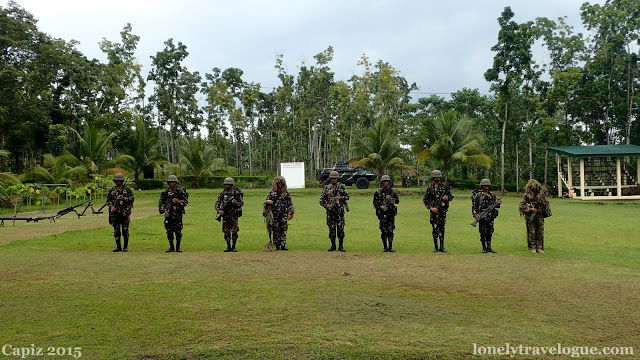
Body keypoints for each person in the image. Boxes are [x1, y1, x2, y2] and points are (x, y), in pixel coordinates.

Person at [423, 170, 453, 253]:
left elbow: (451, 196)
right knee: (435, 228)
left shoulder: (444, 187)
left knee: (442, 228)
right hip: (434, 211)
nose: (437, 178)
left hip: (442, 211)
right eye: (436, 177)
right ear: (433, 177)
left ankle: (442, 247)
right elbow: (425, 200)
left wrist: (447, 198)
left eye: (439, 177)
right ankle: (436, 247)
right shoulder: (429, 187)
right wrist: (431, 208)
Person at [319, 171, 350, 252]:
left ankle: (341, 246)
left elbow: (347, 197)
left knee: (340, 230)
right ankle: (333, 245)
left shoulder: (342, 187)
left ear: (337, 179)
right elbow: (321, 200)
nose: (333, 180)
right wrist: (326, 206)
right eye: (332, 178)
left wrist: (340, 197)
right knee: (332, 230)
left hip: (340, 213)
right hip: (330, 213)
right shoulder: (326, 188)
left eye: (335, 178)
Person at [519, 179, 552, 253]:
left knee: (540, 232)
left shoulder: (541, 195)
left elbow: (546, 203)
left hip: (540, 216)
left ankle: (539, 247)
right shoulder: (526, 195)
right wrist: (530, 209)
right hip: (530, 216)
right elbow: (522, 205)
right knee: (532, 232)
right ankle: (532, 247)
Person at [158, 175, 189, 253]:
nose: (172, 184)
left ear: (176, 183)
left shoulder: (180, 192)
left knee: (178, 231)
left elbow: (185, 202)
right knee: (169, 231)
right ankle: (171, 247)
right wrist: (164, 210)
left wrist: (178, 202)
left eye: (173, 182)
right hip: (168, 215)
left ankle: (178, 247)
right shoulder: (165, 192)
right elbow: (161, 203)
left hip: (177, 214)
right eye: (170, 182)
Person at [263, 176, 295, 250]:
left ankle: (283, 244)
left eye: (281, 183)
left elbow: (290, 204)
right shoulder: (272, 193)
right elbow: (266, 202)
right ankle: (276, 244)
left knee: (283, 228)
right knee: (275, 229)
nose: (279, 185)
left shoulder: (286, 194)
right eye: (278, 183)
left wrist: (290, 213)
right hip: (274, 214)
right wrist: (268, 202)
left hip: (284, 214)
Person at [472, 179, 501, 253]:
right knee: (482, 232)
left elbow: (494, 206)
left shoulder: (492, 195)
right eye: (485, 185)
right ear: (482, 186)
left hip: (490, 217)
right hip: (482, 216)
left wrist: (498, 204)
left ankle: (489, 247)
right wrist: (475, 214)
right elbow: (474, 206)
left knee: (490, 232)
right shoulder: (478, 195)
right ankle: (484, 247)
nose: (486, 187)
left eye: (487, 185)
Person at [215, 177, 244, 252]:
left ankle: (234, 246)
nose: (226, 186)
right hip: (225, 215)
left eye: (227, 184)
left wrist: (236, 203)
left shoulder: (236, 194)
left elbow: (241, 203)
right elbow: (217, 203)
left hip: (234, 215)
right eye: (225, 184)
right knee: (226, 231)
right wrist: (219, 210)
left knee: (234, 231)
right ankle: (228, 246)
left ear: (231, 185)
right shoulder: (222, 193)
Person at [107, 173, 135, 252]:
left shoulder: (127, 190)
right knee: (116, 230)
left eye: (120, 180)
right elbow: (108, 201)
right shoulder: (111, 190)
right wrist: (111, 206)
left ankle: (125, 247)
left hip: (124, 213)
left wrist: (124, 198)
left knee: (125, 230)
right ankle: (118, 246)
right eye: (117, 180)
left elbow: (132, 199)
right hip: (115, 213)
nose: (118, 182)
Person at [373, 174, 400, 252]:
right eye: (384, 181)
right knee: (383, 230)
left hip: (391, 213)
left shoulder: (392, 191)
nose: (386, 183)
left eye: (387, 181)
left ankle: (391, 247)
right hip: (382, 214)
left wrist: (391, 199)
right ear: (382, 182)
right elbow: (375, 203)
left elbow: (397, 201)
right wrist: (380, 207)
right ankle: (385, 247)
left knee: (390, 230)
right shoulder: (378, 192)